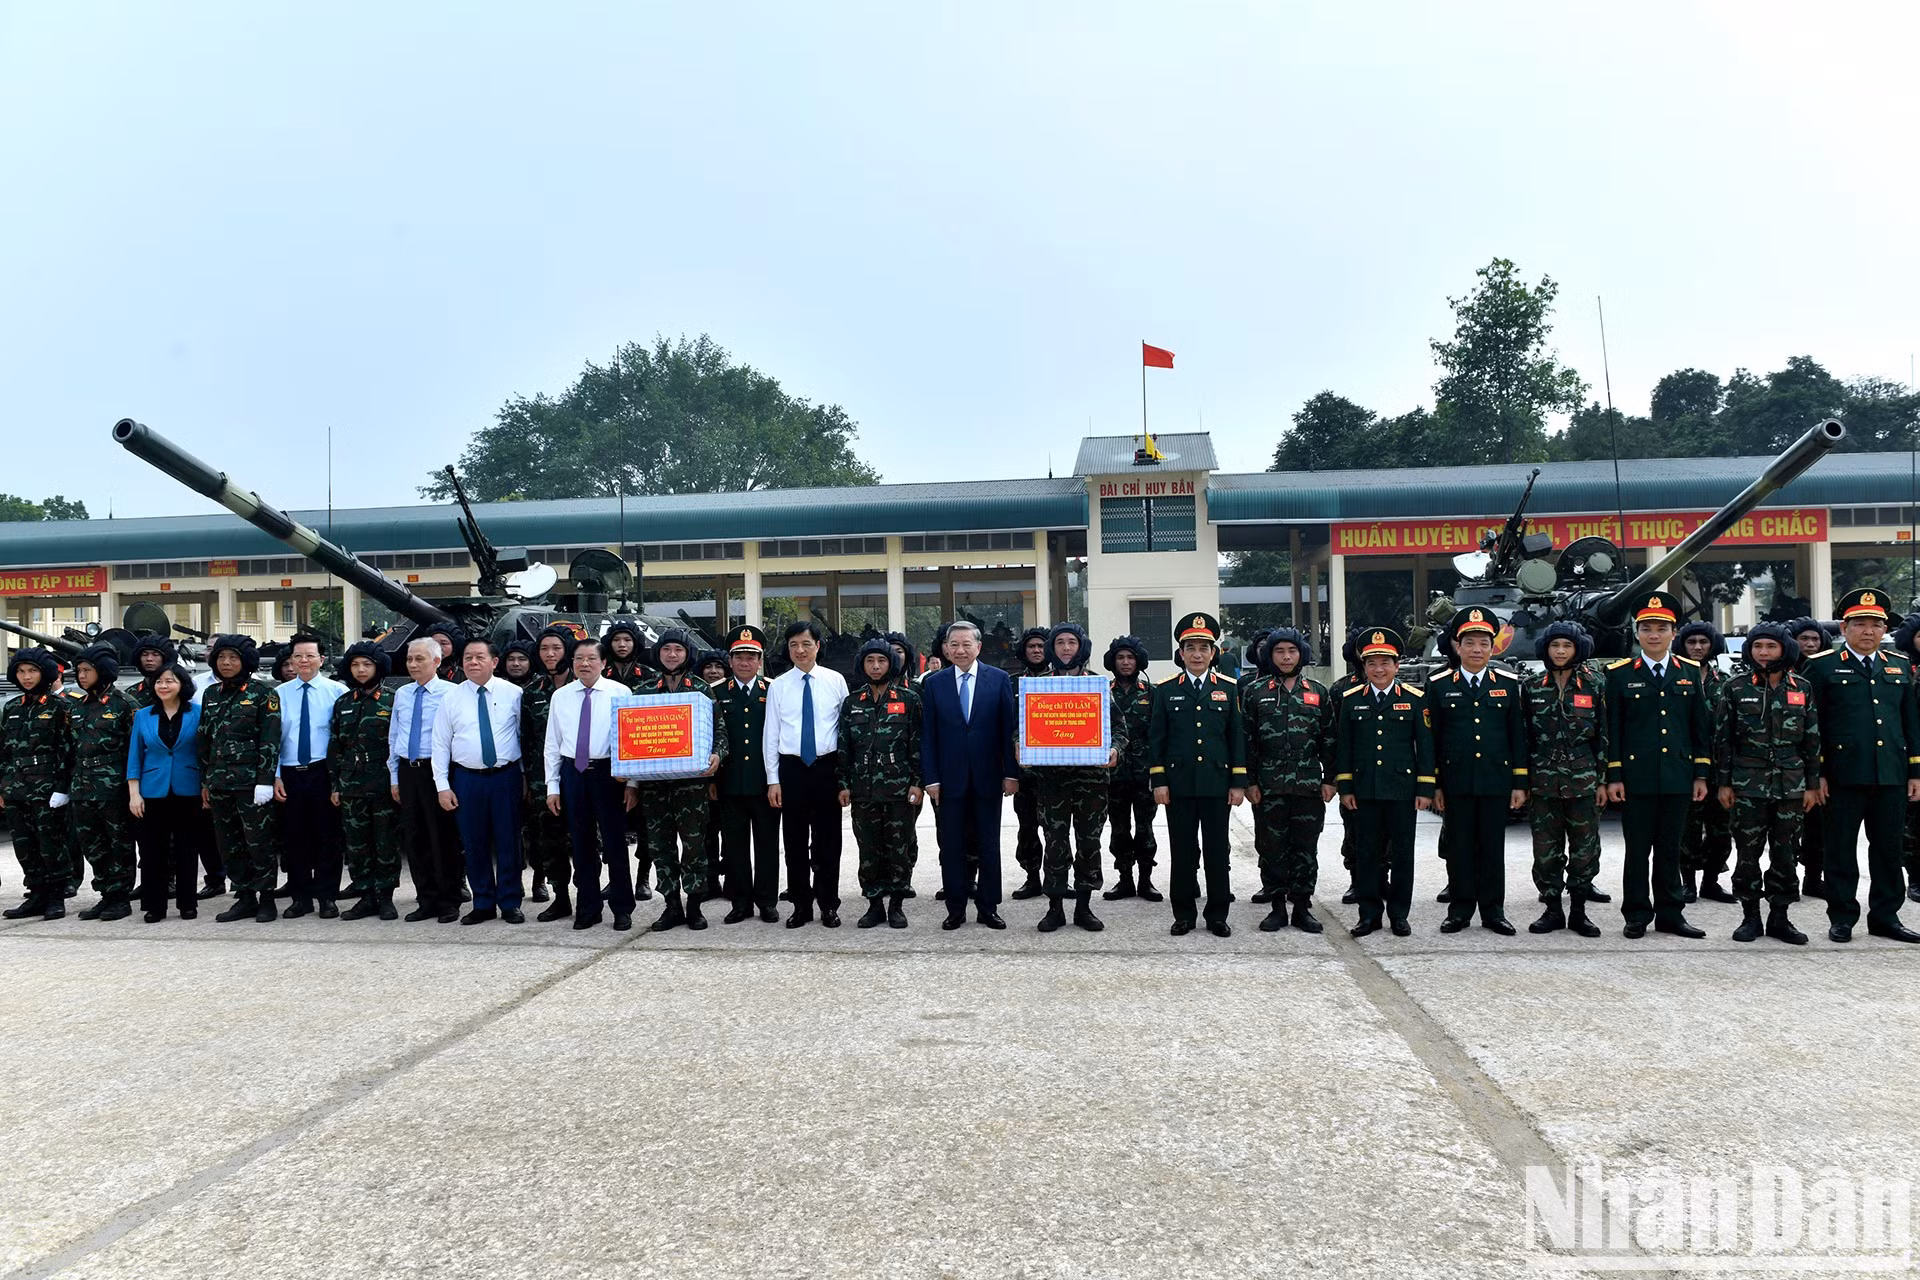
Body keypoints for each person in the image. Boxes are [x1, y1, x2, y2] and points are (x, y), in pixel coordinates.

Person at [1799, 588, 1920, 943]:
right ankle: (1842, 916)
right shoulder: (1821, 666)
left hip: (1891, 774)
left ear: (1884, 630)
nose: (1868, 631)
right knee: (1840, 849)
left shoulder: (1897, 665)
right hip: (1842, 775)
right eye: (1860, 624)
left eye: (1876, 625)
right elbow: (1812, 724)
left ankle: (1885, 916)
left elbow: (1909, 722)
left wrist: (1915, 771)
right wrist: (1817, 773)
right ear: (1844, 627)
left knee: (1888, 848)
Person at [1604, 593, 1710, 940]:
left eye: (1661, 629)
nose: (1654, 635)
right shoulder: (1619, 675)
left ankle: (1670, 914)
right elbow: (1613, 729)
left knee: (1670, 849)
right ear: (1637, 633)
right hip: (1636, 778)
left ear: (1673, 633)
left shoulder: (1689, 672)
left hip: (1678, 776)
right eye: (1646, 628)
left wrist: (1701, 774)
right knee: (1637, 851)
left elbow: (1700, 728)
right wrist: (1614, 775)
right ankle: (1636, 914)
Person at [1713, 622, 1820, 944]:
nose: (1763, 653)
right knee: (1748, 853)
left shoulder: (1802, 687)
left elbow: (1812, 739)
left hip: (1790, 784)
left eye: (1770, 647)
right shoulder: (1734, 687)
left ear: (1784, 649)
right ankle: (1750, 917)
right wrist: (1724, 783)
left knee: (1786, 853)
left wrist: (1812, 784)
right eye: (1758, 647)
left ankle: (1780, 917)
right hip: (1748, 784)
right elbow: (1722, 740)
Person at [1428, 609, 1528, 935]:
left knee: (1491, 847)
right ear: (1457, 647)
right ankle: (1459, 910)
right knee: (1459, 847)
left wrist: (1519, 783)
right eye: (1469, 643)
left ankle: (1493, 911)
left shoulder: (1509, 685)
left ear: (1492, 648)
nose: (1476, 649)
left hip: (1494, 780)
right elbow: (1433, 739)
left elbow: (1518, 736)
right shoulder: (1439, 685)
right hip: (1455, 782)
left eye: (1483, 643)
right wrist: (1436, 785)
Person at [1148, 612, 1248, 937]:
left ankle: (1217, 914)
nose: (1197, 654)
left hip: (1217, 784)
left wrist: (1238, 783)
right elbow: (1157, 740)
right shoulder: (1165, 691)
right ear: (1181, 653)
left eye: (1203, 648)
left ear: (1213, 652)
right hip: (1178, 786)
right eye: (1190, 647)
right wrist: (1159, 781)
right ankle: (1184, 913)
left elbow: (1236, 738)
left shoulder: (1229, 690)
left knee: (1217, 851)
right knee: (1183, 850)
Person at [1333, 626, 1433, 937]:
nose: (1379, 669)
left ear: (1396, 666)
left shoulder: (1415, 698)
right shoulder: (1351, 700)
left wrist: (1425, 788)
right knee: (1367, 855)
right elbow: (1344, 748)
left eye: (1385, 663)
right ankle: (1369, 914)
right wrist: (1346, 788)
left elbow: (1426, 747)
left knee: (1403, 855)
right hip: (1364, 791)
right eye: (1372, 663)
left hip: (1402, 791)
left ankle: (1399, 915)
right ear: (1363, 667)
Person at [626, 628, 728, 931]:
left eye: (678, 650)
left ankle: (694, 905)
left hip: (691, 785)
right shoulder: (642, 691)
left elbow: (719, 732)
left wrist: (717, 756)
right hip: (654, 787)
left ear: (687, 654)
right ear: (658, 654)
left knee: (694, 845)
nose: (672, 655)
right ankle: (671, 906)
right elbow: (631, 740)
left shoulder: (700, 690)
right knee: (661, 846)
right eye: (667, 649)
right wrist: (631, 783)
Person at [920, 619, 1019, 930]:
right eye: (954, 645)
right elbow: (928, 736)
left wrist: (1011, 774)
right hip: (948, 781)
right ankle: (955, 908)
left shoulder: (999, 679)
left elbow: (1008, 730)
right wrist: (931, 778)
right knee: (952, 846)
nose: (960, 650)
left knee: (988, 844)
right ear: (946, 650)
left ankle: (988, 907)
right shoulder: (934, 683)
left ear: (979, 647)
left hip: (989, 778)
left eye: (966, 644)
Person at [1241, 626, 1334, 933]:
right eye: (1279, 651)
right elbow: (1247, 742)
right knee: (1272, 849)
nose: (1285, 657)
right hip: (1268, 787)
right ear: (1270, 655)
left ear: (1301, 654)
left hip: (1308, 787)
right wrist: (1250, 782)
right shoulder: (1255, 692)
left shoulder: (1318, 693)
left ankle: (1303, 907)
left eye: (1291, 651)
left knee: (1306, 849)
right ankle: (1278, 907)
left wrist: (1331, 779)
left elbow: (1330, 740)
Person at [545, 636, 638, 931]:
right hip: (573, 772)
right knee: (581, 843)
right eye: (579, 659)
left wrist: (632, 783)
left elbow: (631, 742)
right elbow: (552, 745)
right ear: (572, 663)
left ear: (604, 663)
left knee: (614, 843)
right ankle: (588, 906)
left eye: (591, 659)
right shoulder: (561, 696)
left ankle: (622, 907)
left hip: (609, 773)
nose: (584, 664)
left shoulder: (620, 692)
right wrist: (553, 787)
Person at [431, 637, 525, 925]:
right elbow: (440, 744)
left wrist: (523, 777)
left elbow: (525, 736)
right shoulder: (451, 697)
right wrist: (442, 785)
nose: (473, 662)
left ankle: (510, 902)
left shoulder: (514, 693)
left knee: (509, 841)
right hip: (467, 780)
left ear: (494, 662)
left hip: (505, 777)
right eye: (468, 658)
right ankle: (483, 902)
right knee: (474, 843)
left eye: (479, 657)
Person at [1029, 622, 1114, 933]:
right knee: (1054, 843)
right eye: (1061, 642)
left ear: (1082, 647)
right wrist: (1017, 744)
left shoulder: (1099, 685)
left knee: (1089, 843)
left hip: (1091, 782)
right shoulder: (1037, 685)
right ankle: (1054, 908)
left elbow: (1119, 729)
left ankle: (1083, 907)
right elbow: (1020, 727)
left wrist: (1116, 748)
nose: (1066, 648)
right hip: (1052, 783)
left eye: (1072, 643)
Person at [1523, 622, 1607, 937]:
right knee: (1546, 850)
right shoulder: (1531, 686)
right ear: (1546, 648)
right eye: (1555, 645)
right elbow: (1525, 738)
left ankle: (1580, 911)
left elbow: (1604, 736)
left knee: (1586, 848)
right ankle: (1552, 909)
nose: (1560, 652)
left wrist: (1602, 779)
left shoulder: (1596, 685)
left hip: (1583, 779)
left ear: (1578, 649)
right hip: (1543, 781)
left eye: (1567, 646)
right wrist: (1523, 781)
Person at [765, 620, 849, 927]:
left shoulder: (835, 681)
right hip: (793, 769)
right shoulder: (779, 685)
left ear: (817, 646)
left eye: (806, 644)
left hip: (827, 767)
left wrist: (844, 779)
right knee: (795, 841)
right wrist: (773, 779)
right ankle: (801, 905)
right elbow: (771, 735)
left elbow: (845, 732)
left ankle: (828, 903)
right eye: (793, 645)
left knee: (829, 841)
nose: (800, 650)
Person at [838, 636, 922, 928]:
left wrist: (917, 782)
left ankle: (896, 905)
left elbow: (918, 745)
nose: (876, 666)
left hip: (899, 788)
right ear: (862, 665)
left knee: (899, 847)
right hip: (863, 790)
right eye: (870, 661)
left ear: (892, 664)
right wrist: (843, 784)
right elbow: (843, 747)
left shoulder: (909, 700)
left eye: (882, 660)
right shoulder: (852, 702)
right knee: (868, 849)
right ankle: (874, 904)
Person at [199, 635, 282, 924]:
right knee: (229, 844)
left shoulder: (263, 694)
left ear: (245, 661)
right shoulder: (210, 694)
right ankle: (244, 897)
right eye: (221, 658)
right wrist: (206, 782)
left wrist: (265, 780)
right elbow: (205, 741)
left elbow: (270, 740)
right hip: (220, 783)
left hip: (251, 784)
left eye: (233, 658)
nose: (226, 663)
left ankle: (267, 898)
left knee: (259, 843)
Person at [388, 638, 462, 923]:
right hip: (408, 770)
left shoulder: (451, 693)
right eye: (409, 659)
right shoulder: (402, 694)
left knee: (442, 837)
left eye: (420, 659)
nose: (413, 664)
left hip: (438, 770)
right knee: (415, 837)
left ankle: (449, 900)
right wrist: (395, 776)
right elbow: (395, 737)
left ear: (437, 661)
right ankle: (426, 899)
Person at [126, 662, 206, 922]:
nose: (163, 685)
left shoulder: (198, 713)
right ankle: (154, 906)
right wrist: (134, 793)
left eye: (170, 680)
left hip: (188, 789)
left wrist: (206, 786)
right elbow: (135, 757)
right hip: (152, 791)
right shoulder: (143, 715)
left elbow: (206, 753)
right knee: (151, 851)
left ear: (182, 684)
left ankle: (187, 903)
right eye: (159, 681)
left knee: (187, 848)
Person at [275, 633, 348, 918]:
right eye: (297, 656)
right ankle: (300, 898)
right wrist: (277, 775)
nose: (303, 661)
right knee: (294, 839)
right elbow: (273, 741)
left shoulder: (337, 692)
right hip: (290, 774)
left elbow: (341, 739)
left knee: (327, 837)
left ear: (322, 659)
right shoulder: (279, 695)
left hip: (322, 773)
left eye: (309, 655)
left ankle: (327, 897)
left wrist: (337, 780)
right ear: (290, 661)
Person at [0, 647, 76, 920]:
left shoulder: (60, 707)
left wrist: (62, 787)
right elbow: (4, 750)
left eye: (32, 671)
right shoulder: (11, 707)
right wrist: (3, 785)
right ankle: (36, 894)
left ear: (43, 673)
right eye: (21, 671)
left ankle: (56, 896)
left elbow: (67, 750)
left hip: (46, 789)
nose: (26, 676)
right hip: (16, 789)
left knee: (51, 844)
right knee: (24, 846)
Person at [714, 625, 781, 924]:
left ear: (760, 660)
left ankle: (767, 901)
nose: (744, 662)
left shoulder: (774, 690)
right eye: (739, 656)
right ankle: (740, 902)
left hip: (764, 782)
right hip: (729, 783)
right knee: (735, 848)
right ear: (730, 661)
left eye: (751, 656)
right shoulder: (715, 693)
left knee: (767, 845)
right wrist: (711, 782)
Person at [329, 641, 400, 922]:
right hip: (352, 785)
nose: (361, 670)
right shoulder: (344, 703)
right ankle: (365, 896)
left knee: (386, 842)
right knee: (357, 844)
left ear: (378, 667)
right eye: (356, 665)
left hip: (383, 783)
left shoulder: (393, 700)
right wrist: (335, 785)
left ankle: (386, 898)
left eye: (367, 664)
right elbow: (336, 747)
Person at [67, 644, 138, 921]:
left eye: (87, 670)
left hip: (113, 787)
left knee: (118, 843)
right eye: (79, 670)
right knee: (91, 844)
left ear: (103, 671)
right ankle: (105, 893)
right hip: (82, 787)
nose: (81, 676)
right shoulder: (76, 707)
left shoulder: (125, 705)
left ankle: (120, 897)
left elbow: (136, 749)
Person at [514, 628, 575, 920]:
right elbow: (524, 739)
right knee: (548, 840)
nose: (550, 654)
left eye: (556, 648)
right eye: (544, 649)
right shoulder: (532, 692)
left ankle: (589, 896)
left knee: (586, 840)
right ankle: (559, 896)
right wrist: (526, 777)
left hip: (582, 774)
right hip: (543, 778)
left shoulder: (583, 685)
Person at [1676, 620, 1736, 904]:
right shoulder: (1675, 678)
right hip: (1685, 766)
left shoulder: (1725, 681)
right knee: (1687, 827)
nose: (1698, 647)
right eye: (1691, 642)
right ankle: (1687, 881)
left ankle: (1711, 881)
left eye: (1703, 642)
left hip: (1720, 767)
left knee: (1721, 829)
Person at [1102, 635, 1162, 903]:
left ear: (1139, 661)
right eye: (1120, 658)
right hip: (1114, 774)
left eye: (1130, 658)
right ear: (1112, 662)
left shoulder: (1152, 693)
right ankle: (1124, 879)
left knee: (1145, 828)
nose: (1125, 663)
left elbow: (1161, 736)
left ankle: (1146, 880)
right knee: (1118, 829)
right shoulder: (1103, 691)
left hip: (1144, 774)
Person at [1787, 616, 1836, 898]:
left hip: (1823, 760)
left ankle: (1814, 877)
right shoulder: (1782, 672)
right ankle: (1787, 877)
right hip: (1790, 762)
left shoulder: (1829, 669)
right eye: (1803, 639)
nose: (1809, 644)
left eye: (1815, 639)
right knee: (1789, 827)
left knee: (1819, 826)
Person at [1007, 626, 1052, 899]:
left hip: (1055, 771)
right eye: (1031, 646)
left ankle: (1058, 878)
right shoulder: (1011, 683)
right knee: (1027, 827)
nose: (1036, 650)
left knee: (1056, 828)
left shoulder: (1061, 680)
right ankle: (1032, 876)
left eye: (1041, 646)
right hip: (1024, 772)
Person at [602, 621, 649, 689]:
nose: (622, 645)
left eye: (627, 640)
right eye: (616, 640)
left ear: (635, 643)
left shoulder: (649, 675)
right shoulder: (602, 676)